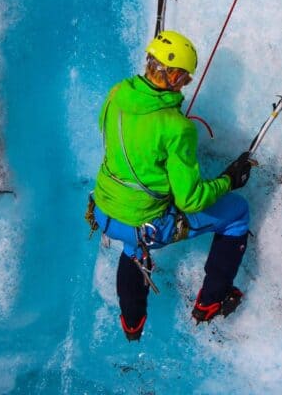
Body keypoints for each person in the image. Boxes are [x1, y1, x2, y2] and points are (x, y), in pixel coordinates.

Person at [88, 30, 254, 341]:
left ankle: (132, 324)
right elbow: (191, 200)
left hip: (106, 212)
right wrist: (228, 181)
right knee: (237, 214)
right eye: (185, 78)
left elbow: (104, 129)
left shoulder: (117, 94)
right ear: (174, 75)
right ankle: (211, 301)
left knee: (134, 248)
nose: (186, 84)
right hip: (146, 223)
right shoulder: (177, 128)